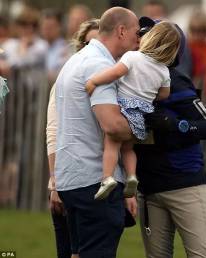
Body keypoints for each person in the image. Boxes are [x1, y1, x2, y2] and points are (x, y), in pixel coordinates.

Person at [54, 7, 139, 257]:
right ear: (121, 31)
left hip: (72, 179)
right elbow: (112, 125)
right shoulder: (98, 65)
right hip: (94, 182)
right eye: (136, 32)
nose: (139, 39)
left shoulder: (77, 60)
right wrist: (143, 128)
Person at [134, 20, 206, 258]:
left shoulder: (176, 81)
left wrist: (172, 124)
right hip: (149, 188)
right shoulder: (130, 78)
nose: (144, 37)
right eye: (142, 33)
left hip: (186, 186)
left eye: (151, 34)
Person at [85, 21, 181, 200]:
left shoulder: (132, 57)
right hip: (142, 116)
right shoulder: (164, 72)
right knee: (128, 149)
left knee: (111, 144)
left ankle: (107, 178)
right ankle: (131, 176)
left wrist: (94, 82)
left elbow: (114, 73)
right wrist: (149, 94)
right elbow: (164, 94)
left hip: (124, 108)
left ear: (149, 38)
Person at [47, 18, 99, 258]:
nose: (95, 49)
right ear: (80, 46)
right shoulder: (65, 81)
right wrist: (55, 184)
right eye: (89, 44)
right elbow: (53, 131)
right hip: (69, 182)